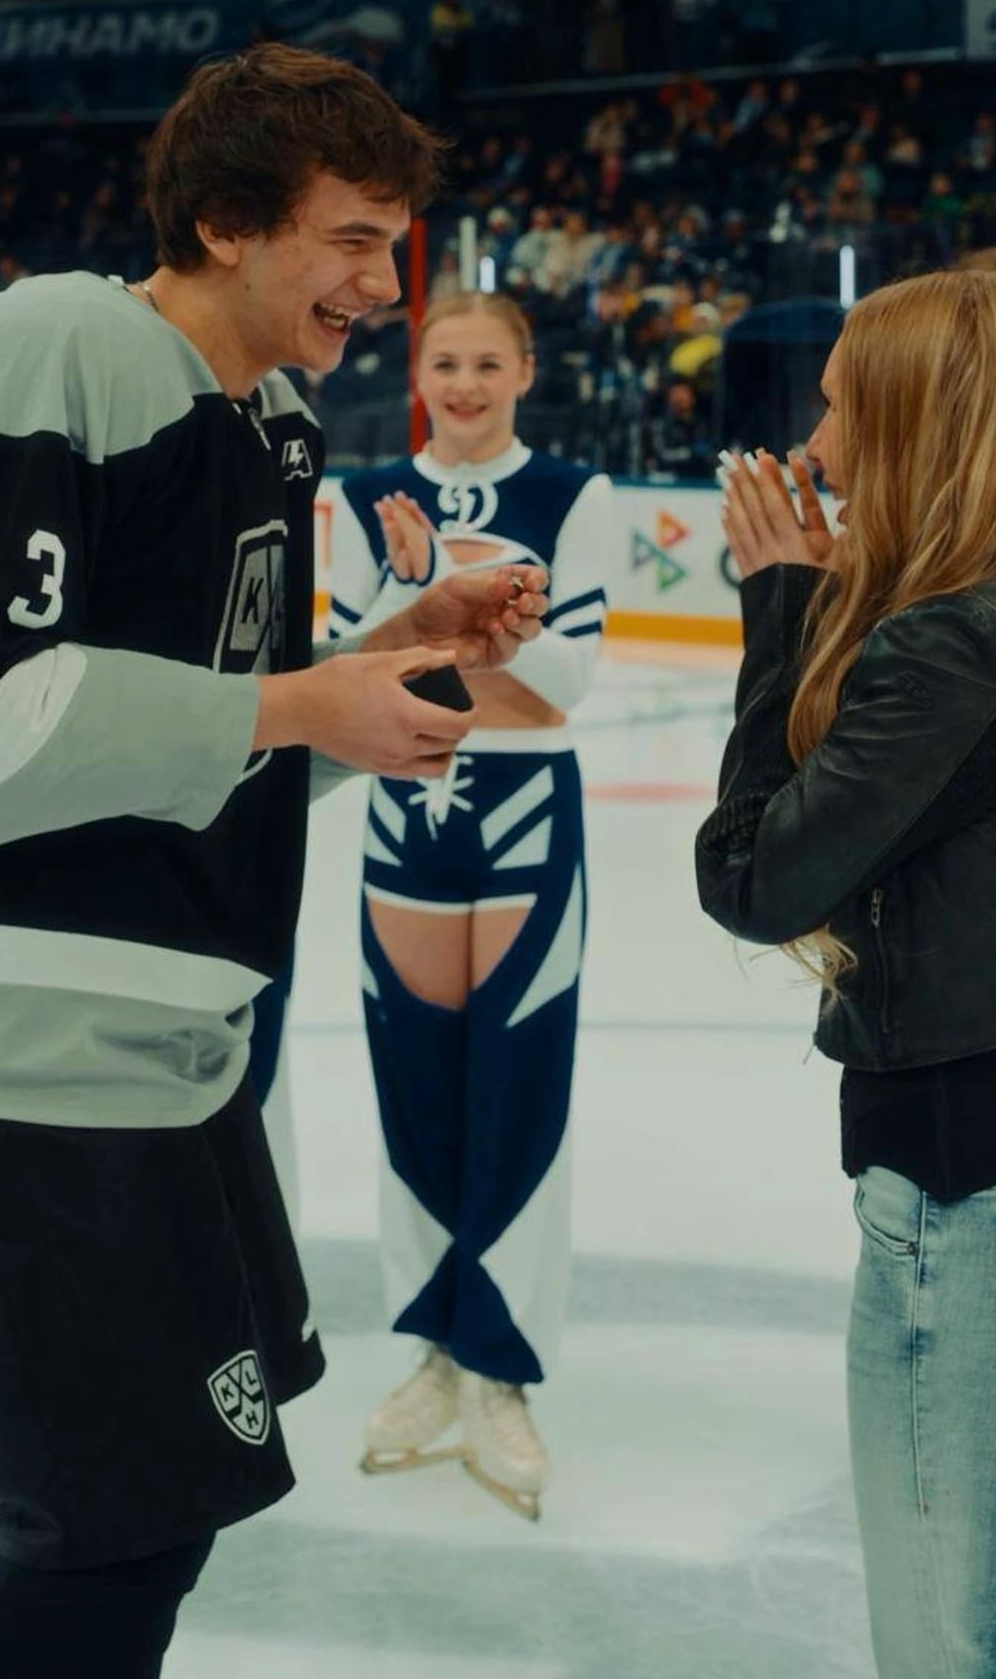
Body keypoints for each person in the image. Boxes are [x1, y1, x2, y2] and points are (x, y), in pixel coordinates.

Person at [0, 41, 550, 1677]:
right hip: (33, 1065)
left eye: (396, 243)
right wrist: (301, 700)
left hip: (167, 1062)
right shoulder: (55, 344)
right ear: (228, 222)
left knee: (147, 1522)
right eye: (352, 238)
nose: (383, 283)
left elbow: (216, 731)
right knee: (110, 1527)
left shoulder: (274, 419)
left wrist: (383, 660)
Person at [697, 269, 996, 1678]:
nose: (818, 444)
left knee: (945, 1647)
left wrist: (780, 604)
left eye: (844, 408)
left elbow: (754, 876)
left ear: (919, 424)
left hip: (981, 1195)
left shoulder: (963, 641)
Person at [327, 291, 613, 1521]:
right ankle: (435, 1350)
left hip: (530, 811)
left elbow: (564, 687)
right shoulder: (364, 496)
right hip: (407, 806)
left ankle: (501, 1367)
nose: (463, 382)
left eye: (488, 362)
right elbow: (348, 673)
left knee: (518, 1082)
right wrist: (455, 640)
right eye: (444, 360)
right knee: (417, 1082)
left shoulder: (574, 495)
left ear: (526, 371)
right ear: (417, 371)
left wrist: (434, 591)